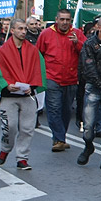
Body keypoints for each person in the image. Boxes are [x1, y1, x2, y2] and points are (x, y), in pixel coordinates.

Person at [0, 19, 43, 170]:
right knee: (11, 127)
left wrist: (32, 86)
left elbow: (38, 68)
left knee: (28, 128)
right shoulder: (3, 50)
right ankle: (5, 148)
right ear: (12, 30)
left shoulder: (33, 50)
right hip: (9, 96)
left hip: (27, 96)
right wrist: (7, 85)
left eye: (25, 29)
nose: (23, 32)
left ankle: (22, 158)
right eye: (20, 29)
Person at [36, 9, 86, 152]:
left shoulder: (77, 33)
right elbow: (38, 54)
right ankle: (58, 139)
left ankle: (61, 136)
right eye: (62, 19)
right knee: (54, 109)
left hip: (71, 79)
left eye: (67, 20)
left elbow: (86, 52)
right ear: (56, 19)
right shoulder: (46, 34)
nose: (65, 23)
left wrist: (77, 43)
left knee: (66, 110)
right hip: (52, 78)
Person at [77, 15, 101, 170]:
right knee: (89, 124)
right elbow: (89, 70)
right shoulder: (89, 44)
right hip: (94, 87)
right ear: (99, 27)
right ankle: (88, 145)